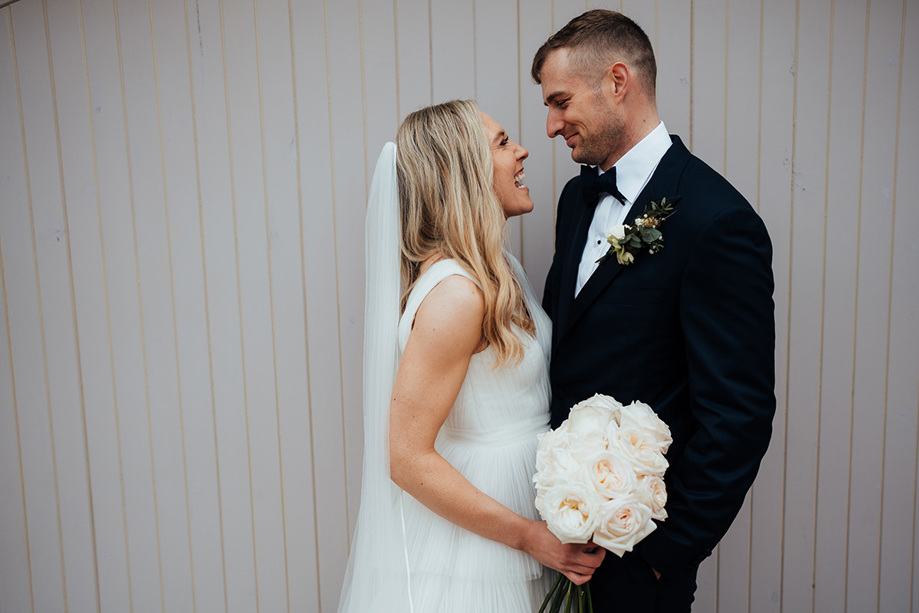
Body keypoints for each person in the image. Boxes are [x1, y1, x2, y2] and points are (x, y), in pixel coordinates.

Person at [532, 10, 776, 611]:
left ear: (618, 81)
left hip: (640, 559)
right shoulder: (575, 198)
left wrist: (666, 556)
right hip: (553, 535)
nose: (549, 125)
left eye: (561, 102)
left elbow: (738, 413)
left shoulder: (717, 221)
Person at [337, 99, 605, 612]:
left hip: (527, 521)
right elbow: (407, 459)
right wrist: (529, 536)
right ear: (463, 174)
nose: (523, 150)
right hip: (483, 548)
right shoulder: (457, 294)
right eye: (503, 143)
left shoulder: (496, 268)